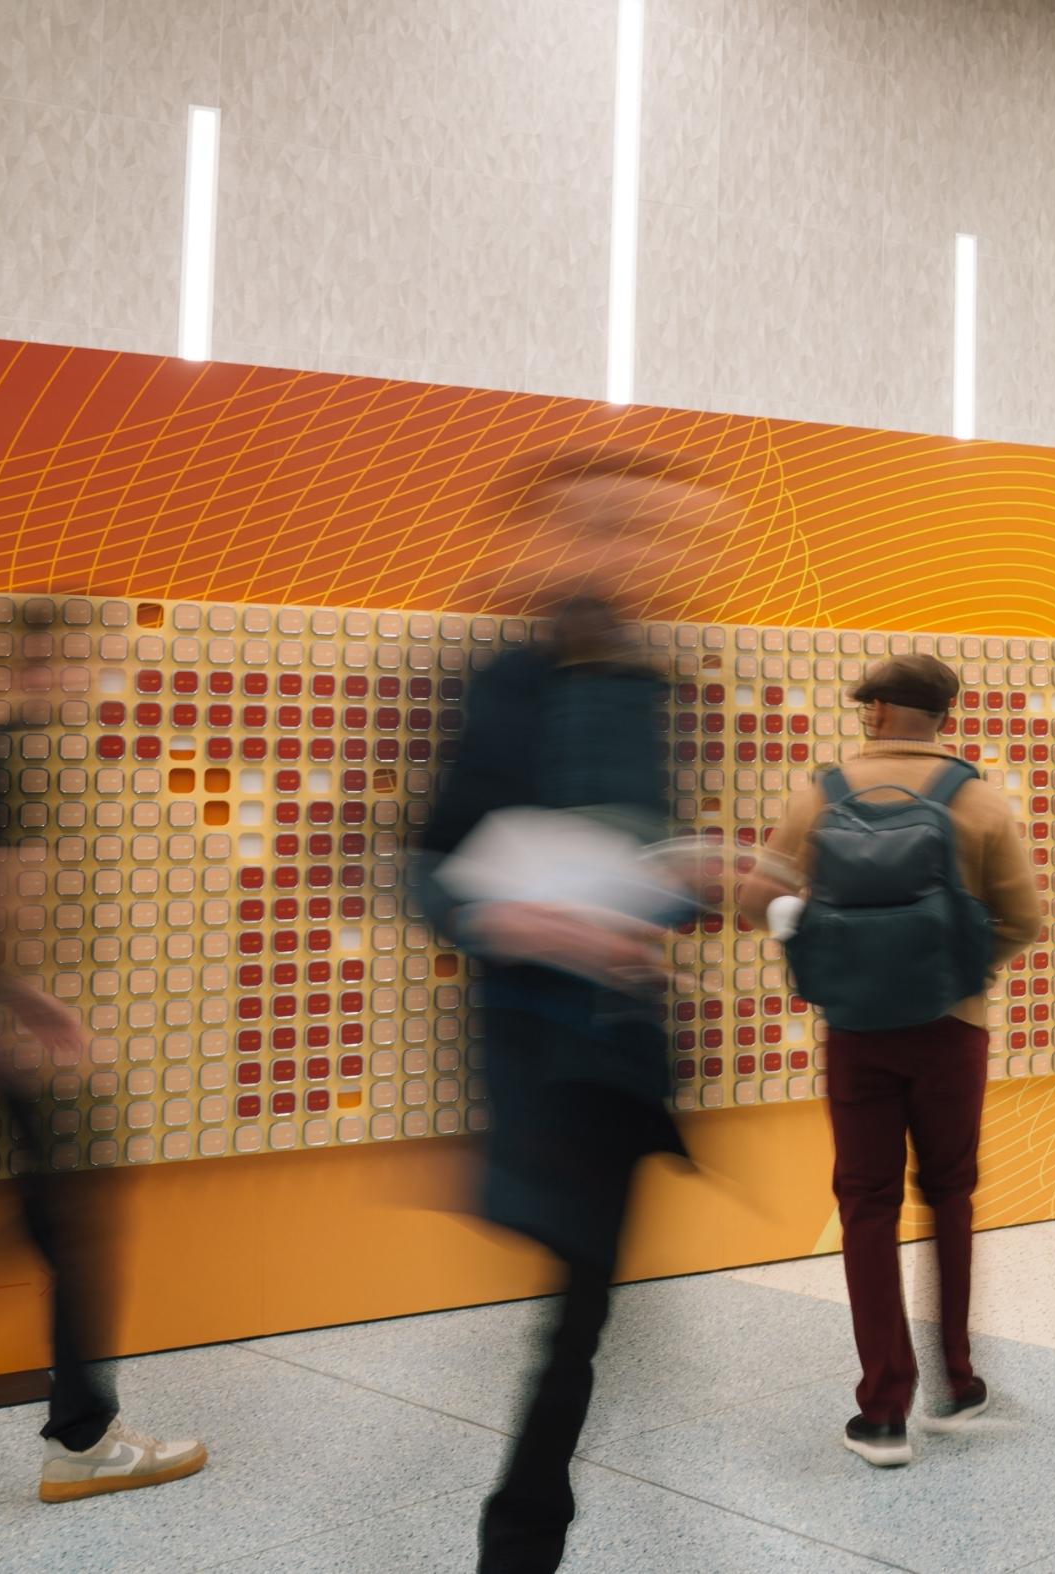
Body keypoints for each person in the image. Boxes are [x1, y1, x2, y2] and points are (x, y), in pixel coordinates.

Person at [414, 453, 706, 1573]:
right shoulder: (497, 684)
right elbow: (429, 866)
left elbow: (642, 855)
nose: (642, 557)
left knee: (586, 1319)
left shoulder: (650, 681)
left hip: (626, 1051)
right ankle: (521, 1543)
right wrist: (541, 921)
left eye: (662, 534)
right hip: (544, 1053)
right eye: (615, 528)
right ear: (543, 536)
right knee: (575, 1317)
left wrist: (692, 878)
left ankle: (526, 1530)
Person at [744, 654, 1041, 1468]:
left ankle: (882, 1412)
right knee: (949, 1196)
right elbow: (1024, 918)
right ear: (943, 715)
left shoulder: (820, 795)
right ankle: (958, 1383)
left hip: (856, 1033)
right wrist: (955, 971)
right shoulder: (979, 802)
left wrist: (831, 949)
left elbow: (751, 905)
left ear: (875, 711)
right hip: (952, 1030)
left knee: (866, 1205)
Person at [0, 600, 209, 1502]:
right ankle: (84, 1439)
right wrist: (23, 1008)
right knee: (76, 1233)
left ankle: (86, 1424)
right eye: (70, 661)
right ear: (34, 663)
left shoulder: (19, 754)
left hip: (11, 1032)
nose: (81, 678)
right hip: (16, 1039)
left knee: (57, 1228)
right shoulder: (0, 757)